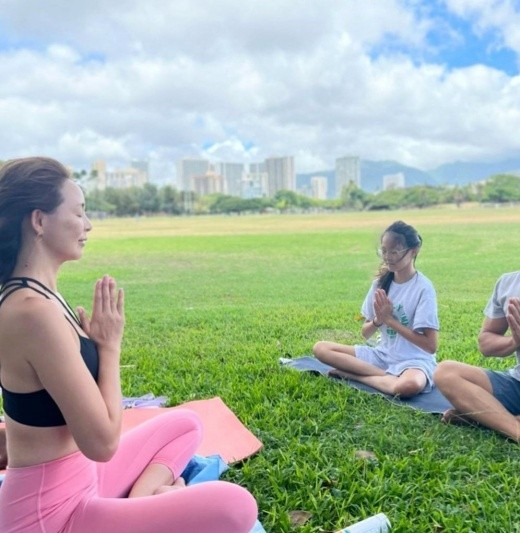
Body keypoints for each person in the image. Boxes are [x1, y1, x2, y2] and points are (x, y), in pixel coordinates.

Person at [0, 157, 257, 532]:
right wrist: (109, 347)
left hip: (86, 481)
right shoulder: (30, 312)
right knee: (236, 507)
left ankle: (139, 506)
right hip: (52, 516)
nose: (88, 225)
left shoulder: (42, 295)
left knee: (185, 424)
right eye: (79, 212)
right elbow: (102, 443)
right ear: (39, 221)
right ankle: (153, 503)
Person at [313, 220, 439, 398]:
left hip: (414, 361)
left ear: (413, 251)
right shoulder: (380, 284)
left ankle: (355, 375)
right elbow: (365, 333)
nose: (387, 257)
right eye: (384, 251)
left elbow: (430, 346)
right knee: (321, 348)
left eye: (394, 252)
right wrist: (378, 320)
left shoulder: (423, 288)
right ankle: (387, 378)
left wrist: (390, 321)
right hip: (382, 356)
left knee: (409, 386)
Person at [434, 272, 520, 442]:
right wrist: (514, 341)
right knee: (445, 372)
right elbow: (486, 342)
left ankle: (486, 417)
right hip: (516, 384)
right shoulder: (508, 283)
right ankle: (514, 428)